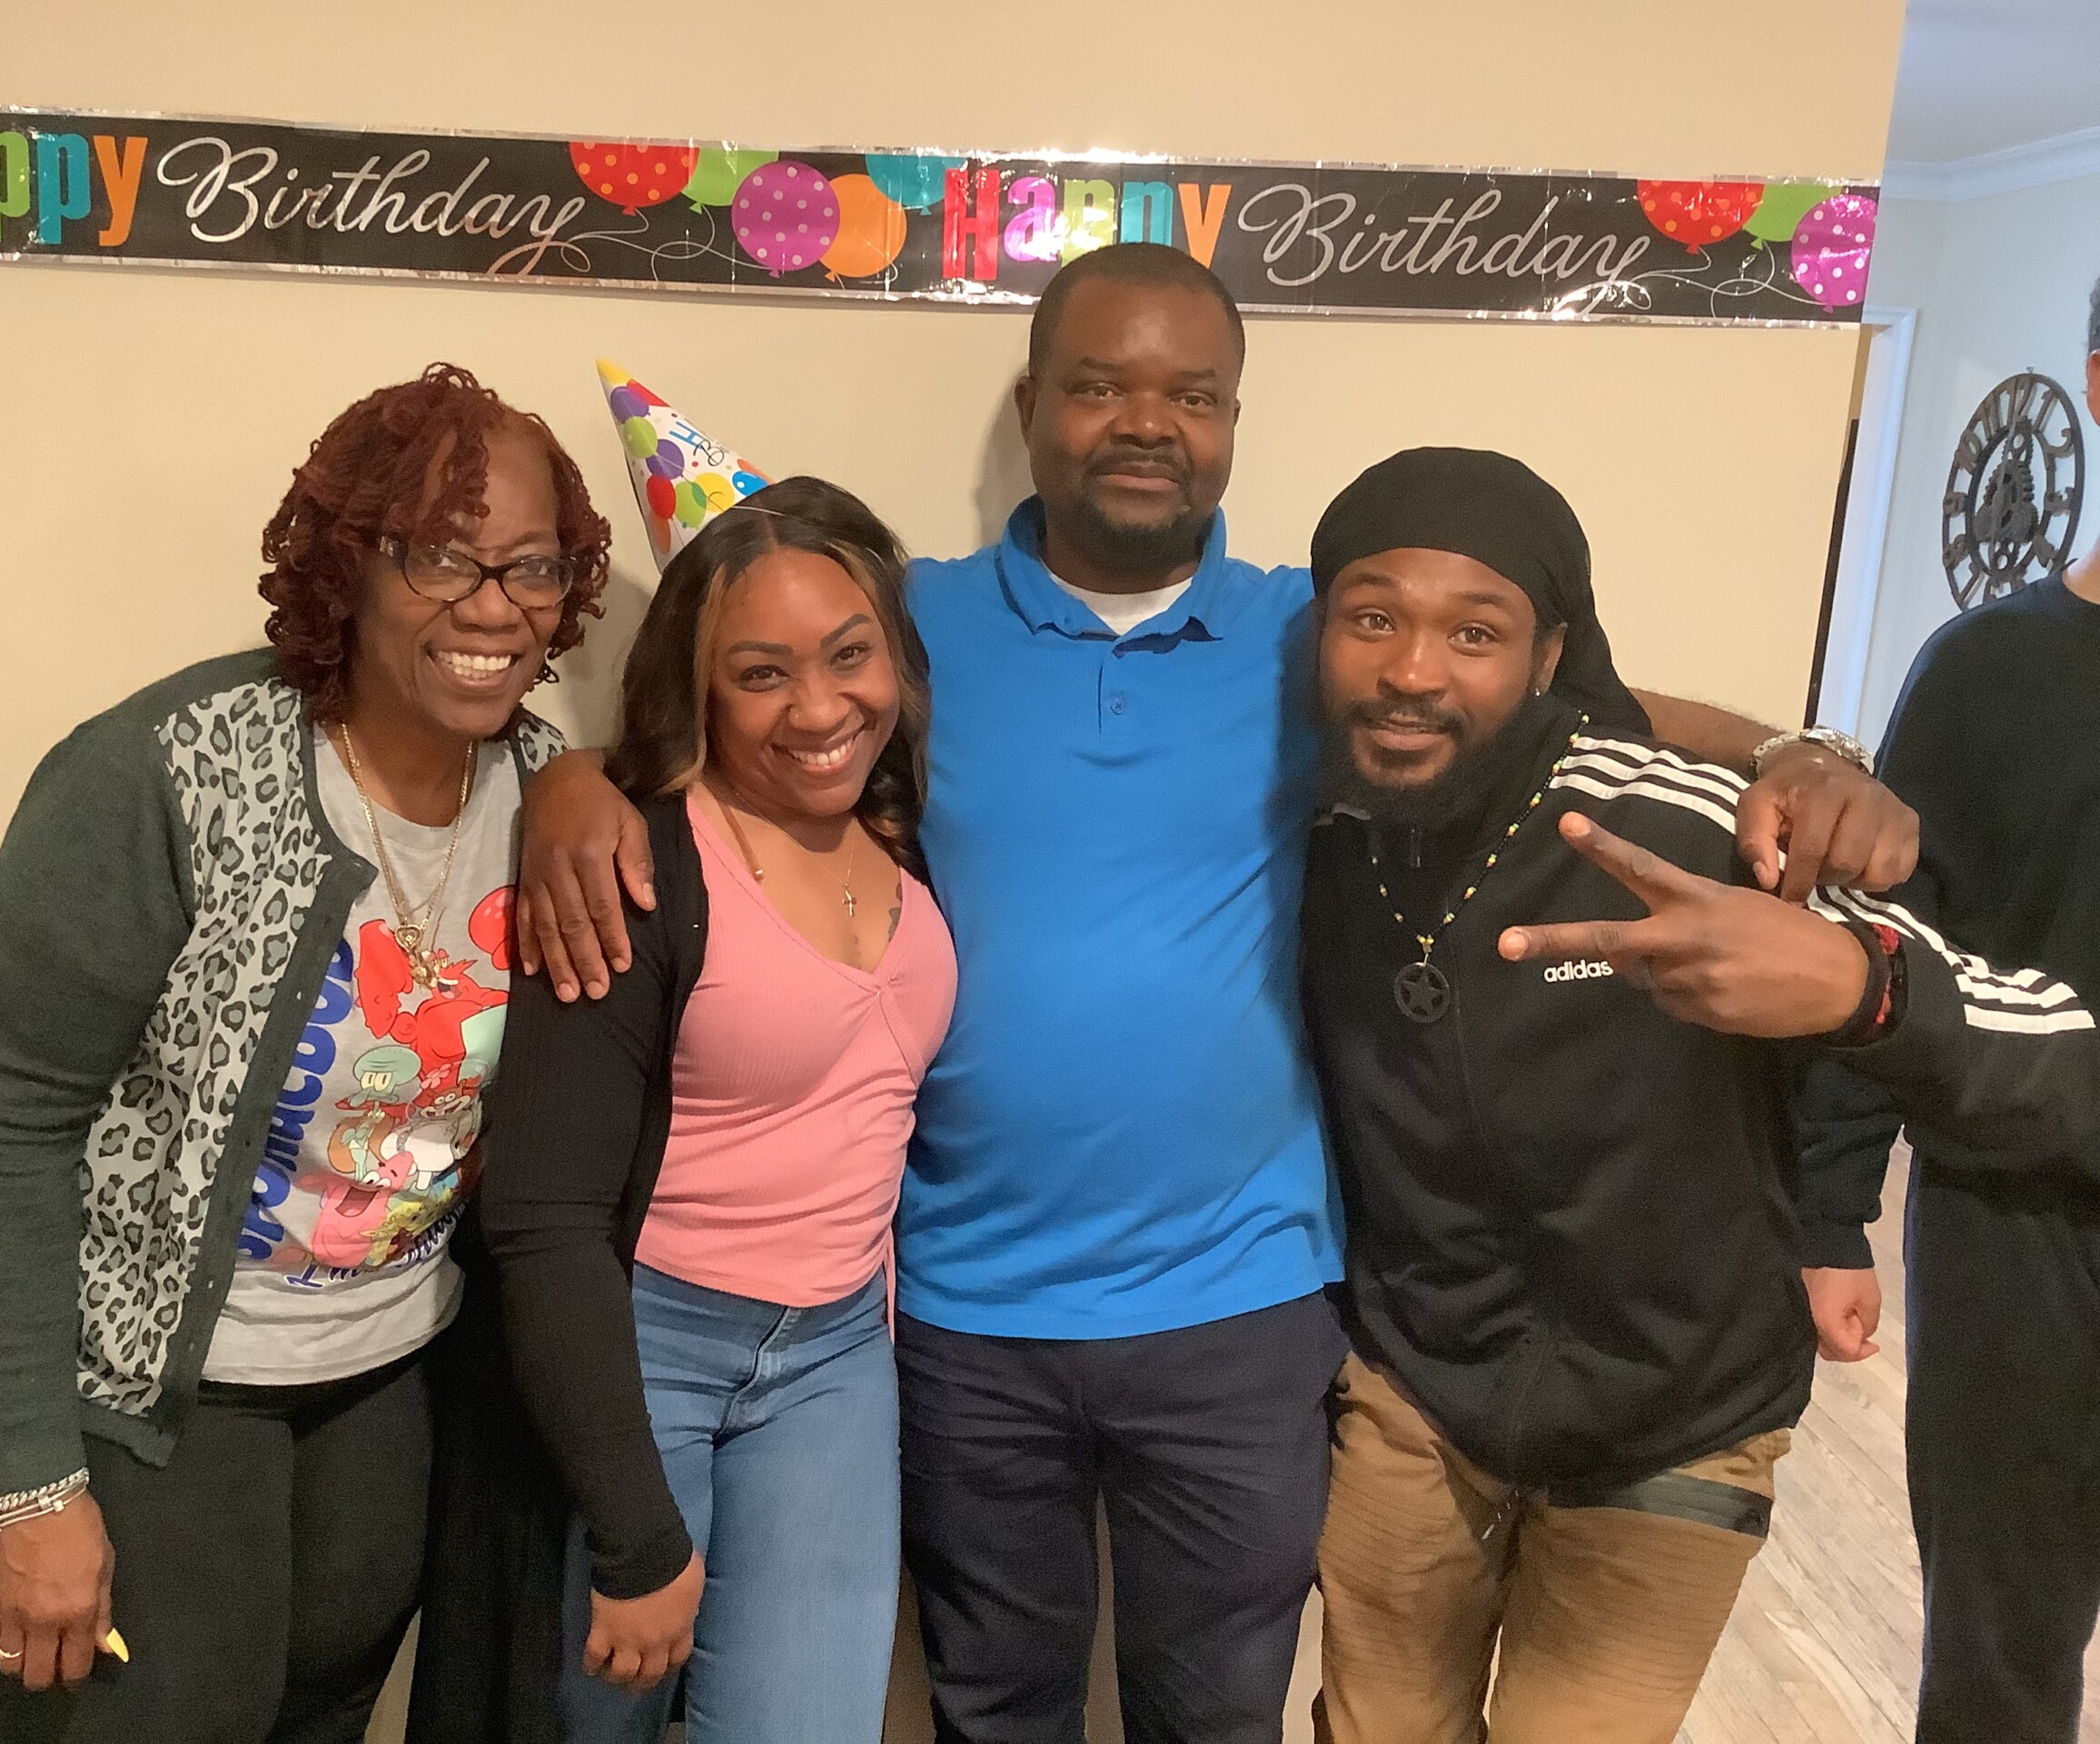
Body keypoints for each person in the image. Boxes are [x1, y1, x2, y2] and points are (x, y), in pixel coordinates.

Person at [510, 244, 1918, 1739]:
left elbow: (1581, 714)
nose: (1146, 421)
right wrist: (576, 780)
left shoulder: (1324, 636)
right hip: (961, 1308)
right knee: (996, 1708)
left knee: (1218, 1714)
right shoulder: (911, 628)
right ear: (1032, 407)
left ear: (1233, 420)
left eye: (1193, 394)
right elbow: (746, 710)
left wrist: (1803, 751)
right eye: (1100, 385)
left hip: (1244, 1309)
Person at [1297, 446, 2099, 1744]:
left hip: (1677, 1415)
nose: (1414, 669)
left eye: (1477, 631)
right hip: (1417, 1390)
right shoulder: (1308, 820)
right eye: (1373, 618)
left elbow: (2044, 1049)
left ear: (1551, 656)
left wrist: (1858, 984)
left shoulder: (1696, 833)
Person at [0, 363, 610, 1743]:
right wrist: (31, 1483)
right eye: (442, 555)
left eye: (533, 566)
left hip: (376, 1371)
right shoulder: (166, 771)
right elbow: (10, 1122)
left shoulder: (543, 789)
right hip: (114, 1378)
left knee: (321, 1706)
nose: (494, 605)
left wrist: (583, 773)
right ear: (350, 562)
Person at [477, 476, 956, 1744]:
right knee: (593, 1727)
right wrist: (636, 1534)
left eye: (849, 655)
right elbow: (541, 1214)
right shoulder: (635, 869)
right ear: (698, 688)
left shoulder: (903, 827)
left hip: (836, 1361)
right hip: (645, 1354)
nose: (820, 708)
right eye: (760, 674)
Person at [1794, 281, 2100, 1743]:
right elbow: (1888, 947)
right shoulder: (1987, 670)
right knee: (2001, 1644)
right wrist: (1828, 1211)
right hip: (2014, 1218)